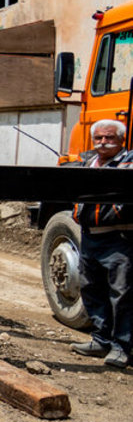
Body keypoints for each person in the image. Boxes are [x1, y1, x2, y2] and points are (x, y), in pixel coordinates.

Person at [69, 119, 132, 368]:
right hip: (89, 236)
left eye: (109, 138)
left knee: (122, 295)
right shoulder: (87, 162)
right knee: (91, 289)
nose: (103, 143)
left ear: (121, 140)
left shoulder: (128, 163)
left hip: (119, 238)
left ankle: (122, 347)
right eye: (99, 138)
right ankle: (100, 340)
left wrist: (114, 212)